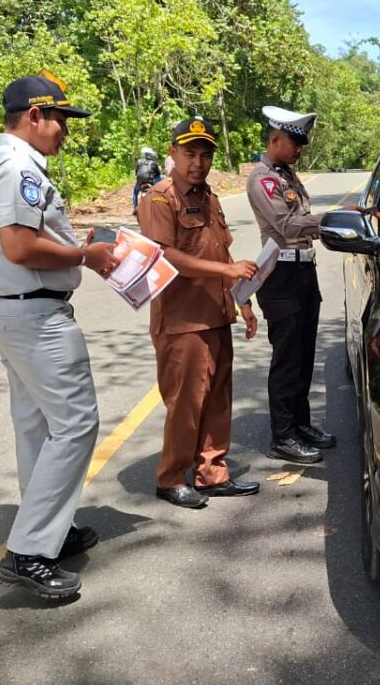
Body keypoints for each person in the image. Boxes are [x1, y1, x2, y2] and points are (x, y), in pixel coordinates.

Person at [0, 72, 121, 599]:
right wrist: (86, 255)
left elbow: (28, 241)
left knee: (36, 427)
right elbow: (18, 246)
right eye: (60, 118)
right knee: (76, 424)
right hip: (36, 316)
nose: (64, 130)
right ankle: (30, 552)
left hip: (16, 308)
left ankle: (47, 533)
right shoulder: (18, 168)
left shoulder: (8, 164)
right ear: (34, 115)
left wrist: (73, 248)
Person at [138, 117, 260, 509]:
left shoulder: (210, 197)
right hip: (182, 320)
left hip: (216, 313)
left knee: (218, 399)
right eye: (190, 153)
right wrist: (227, 271)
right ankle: (171, 477)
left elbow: (220, 250)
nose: (198, 162)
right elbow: (165, 255)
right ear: (172, 153)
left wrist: (242, 298)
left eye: (205, 155)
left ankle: (212, 472)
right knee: (186, 405)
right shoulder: (159, 198)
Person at [246, 106, 366, 464]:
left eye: (302, 143)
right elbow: (288, 226)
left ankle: (300, 424)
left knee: (304, 356)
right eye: (295, 142)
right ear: (275, 139)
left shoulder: (288, 176)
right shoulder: (263, 180)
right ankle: (282, 436)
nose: (300, 149)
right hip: (280, 277)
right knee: (287, 360)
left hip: (302, 273)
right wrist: (337, 218)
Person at [133, 147, 161, 212]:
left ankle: (135, 207)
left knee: (135, 193)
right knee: (158, 189)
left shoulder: (139, 162)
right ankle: (158, 204)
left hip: (140, 181)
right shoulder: (154, 163)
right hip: (151, 180)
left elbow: (136, 172)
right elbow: (158, 173)